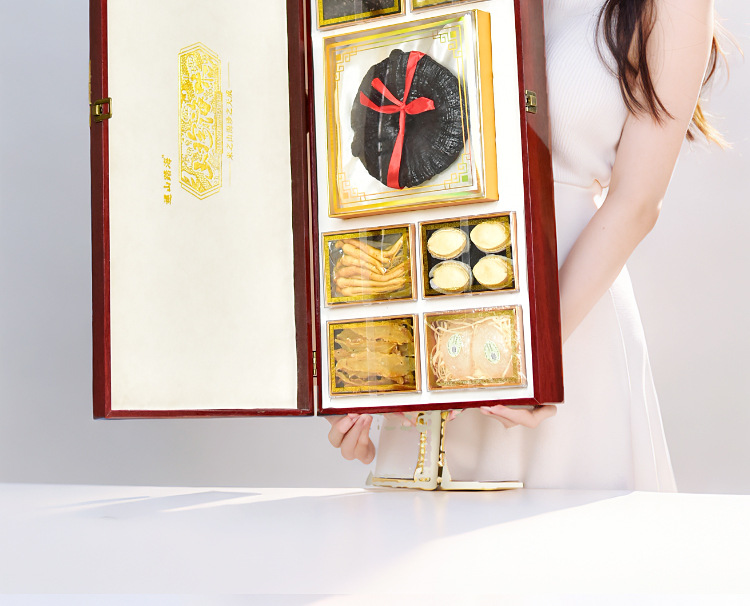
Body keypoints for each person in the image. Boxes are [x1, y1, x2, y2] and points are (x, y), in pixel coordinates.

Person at [326, 0, 723, 491]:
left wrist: (536, 359)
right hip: (438, 314)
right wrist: (366, 356)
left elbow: (637, 202)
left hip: (568, 322)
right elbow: (385, 164)